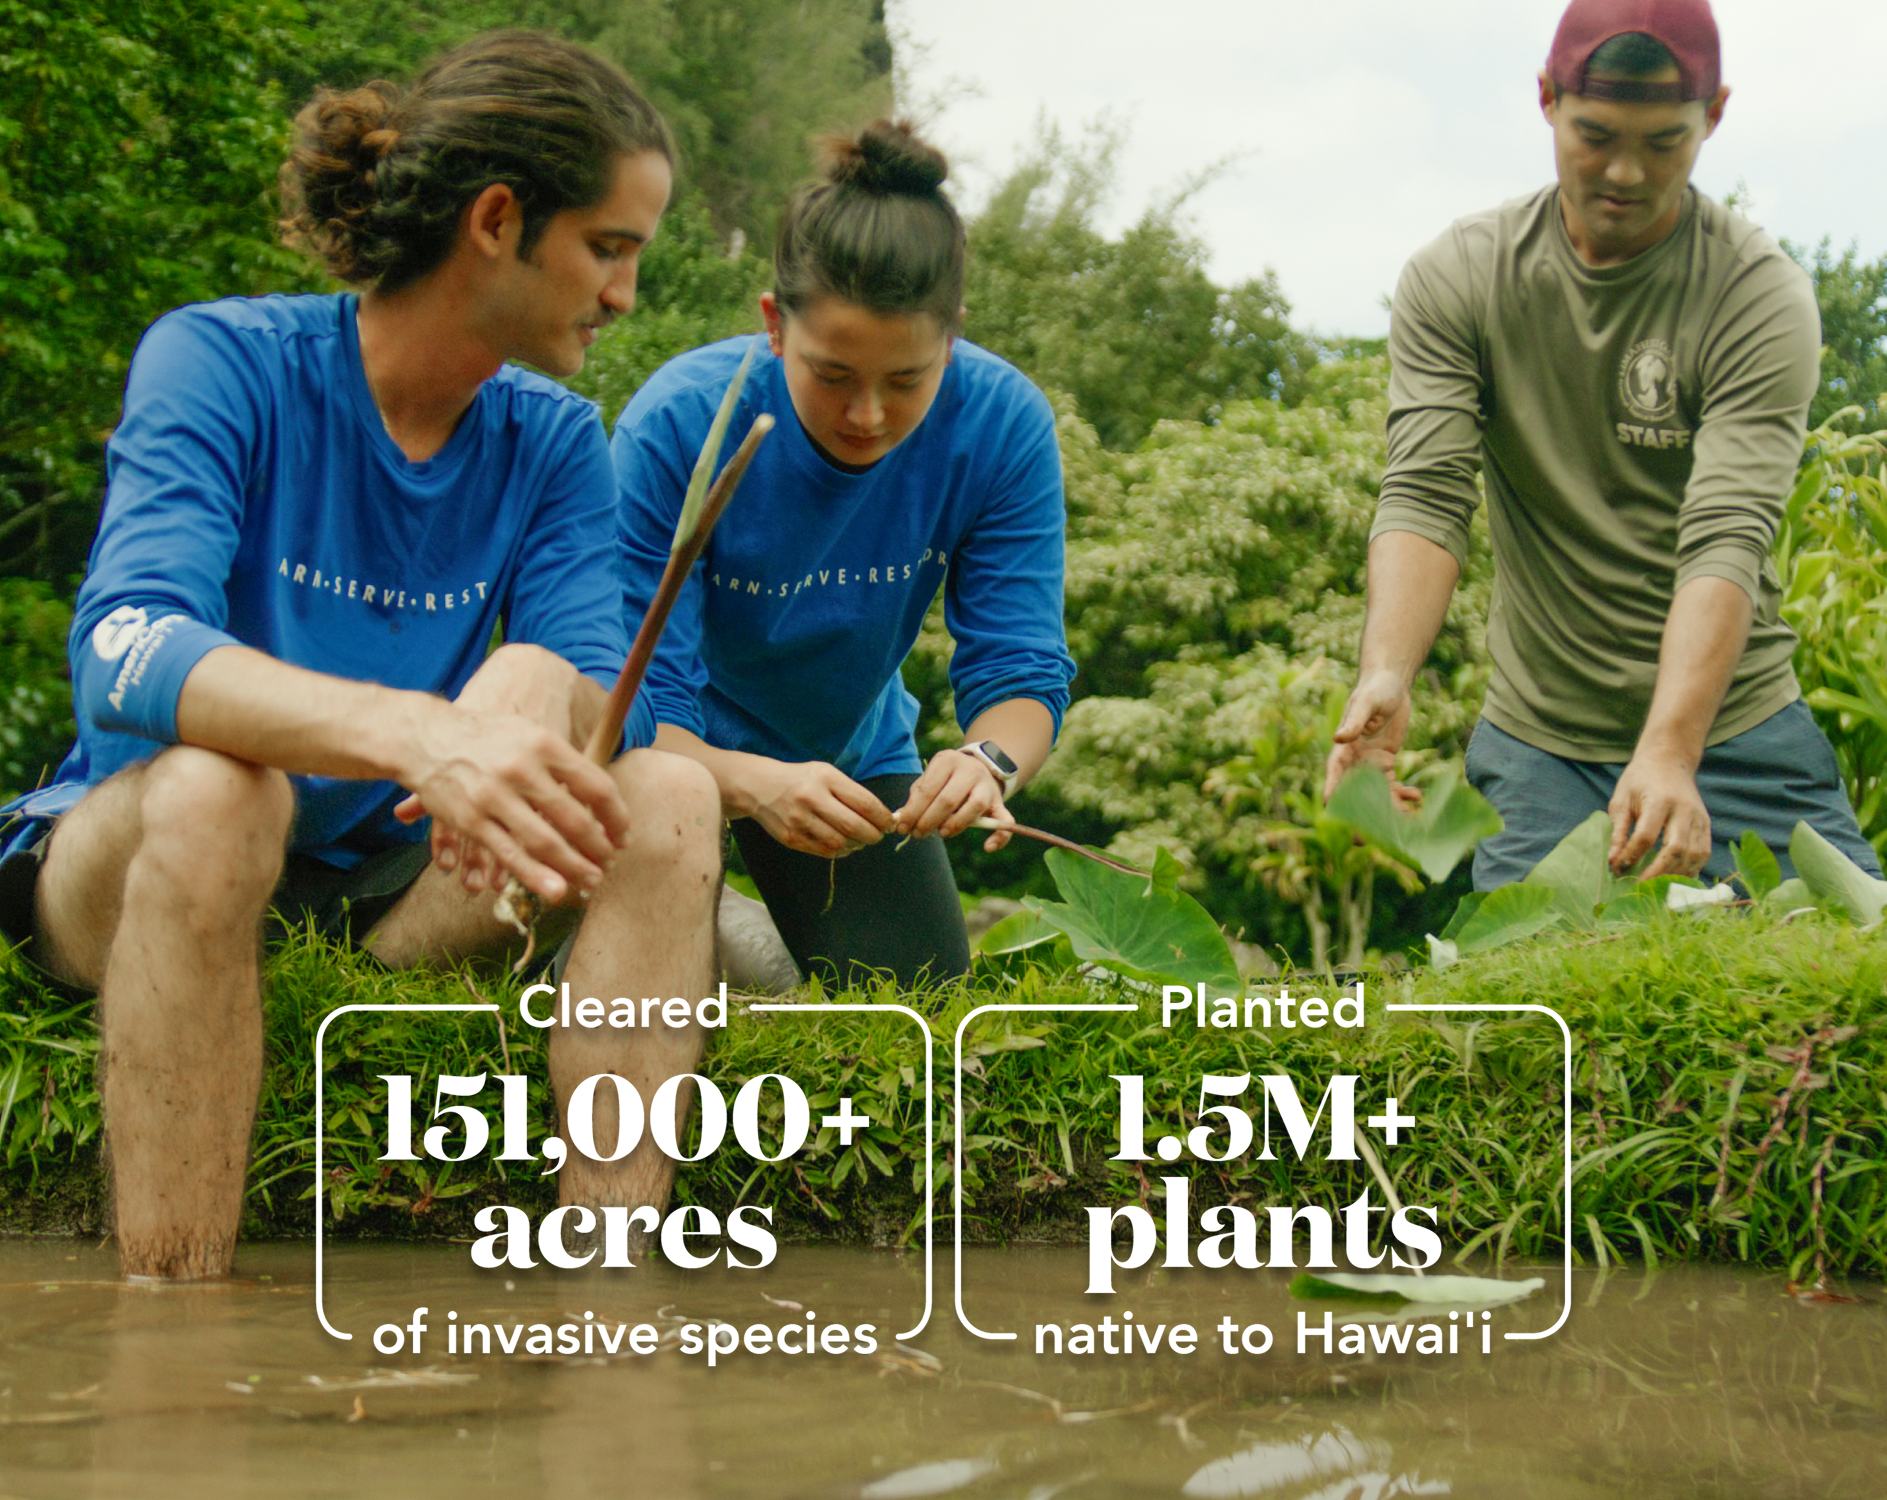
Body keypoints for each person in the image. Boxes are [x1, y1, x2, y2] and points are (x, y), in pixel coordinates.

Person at [0, 33, 723, 1280]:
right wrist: (422, 729)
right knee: (222, 786)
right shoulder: (221, 360)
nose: (624, 297)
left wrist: (538, 683)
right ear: (498, 219)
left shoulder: (553, 438)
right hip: (136, 858)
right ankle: (171, 1338)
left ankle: (609, 1295)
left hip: (388, 901)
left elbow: (617, 718)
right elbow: (126, 653)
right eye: (610, 249)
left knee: (672, 791)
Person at [1323, 0, 1880, 890]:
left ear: (1715, 114)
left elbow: (1726, 529)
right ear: (1545, 99)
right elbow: (1427, 493)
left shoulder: (1755, 294)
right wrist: (1386, 673)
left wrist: (1670, 747)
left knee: (1854, 979)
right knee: (1529, 1015)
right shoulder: (1459, 278)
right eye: (1595, 135)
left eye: (1664, 142)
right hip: (1541, 742)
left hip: (1735, 727)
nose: (1625, 171)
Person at [611, 121, 1075, 987]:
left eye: (906, 380)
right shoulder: (681, 423)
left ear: (952, 335)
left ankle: (730, 930)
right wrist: (750, 784)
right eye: (831, 375)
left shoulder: (1002, 425)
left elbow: (1020, 669)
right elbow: (637, 699)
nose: (866, 415)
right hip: (671, 749)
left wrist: (986, 766)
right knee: (630, 955)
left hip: (848, 756)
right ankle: (693, 916)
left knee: (915, 1008)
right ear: (773, 327)